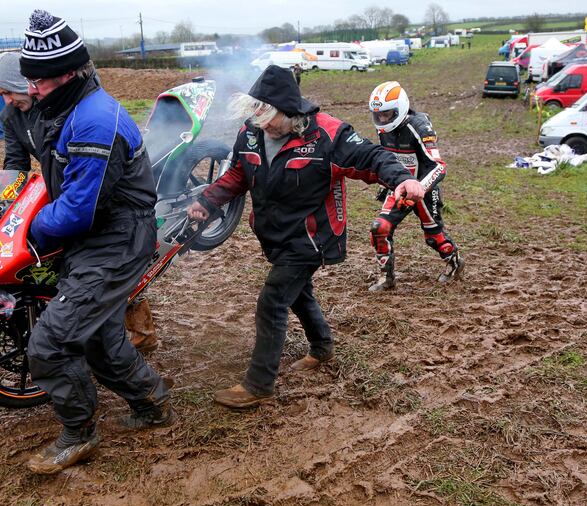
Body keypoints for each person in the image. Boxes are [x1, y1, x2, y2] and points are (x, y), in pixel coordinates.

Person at [187, 65, 424, 409]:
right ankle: (322, 347)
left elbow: (373, 157)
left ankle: (259, 384)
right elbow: (239, 173)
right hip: (275, 235)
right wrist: (208, 201)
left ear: (290, 110)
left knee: (273, 301)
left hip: (312, 238)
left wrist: (401, 177)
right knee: (298, 294)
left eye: (269, 117)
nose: (263, 124)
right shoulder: (252, 132)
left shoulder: (327, 135)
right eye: (257, 115)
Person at [17, 9, 173, 474]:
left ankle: (78, 434)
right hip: (96, 236)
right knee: (98, 335)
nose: (31, 89)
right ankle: (153, 403)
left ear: (66, 73)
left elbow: (79, 209)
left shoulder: (94, 121)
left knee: (50, 342)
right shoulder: (64, 108)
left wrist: (27, 232)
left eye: (39, 81)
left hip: (117, 238)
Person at [0, 51, 159, 355]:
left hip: (87, 186)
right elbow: (15, 165)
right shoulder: (11, 116)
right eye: (1, 95)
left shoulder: (55, 106)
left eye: (8, 92)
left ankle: (137, 326)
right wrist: (5, 204)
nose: (7, 101)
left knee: (105, 267)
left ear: (23, 83)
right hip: (61, 188)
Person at [367, 81, 464, 292]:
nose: (382, 119)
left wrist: (421, 187)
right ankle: (387, 278)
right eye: (379, 115)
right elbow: (389, 160)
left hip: (424, 190)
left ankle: (455, 262)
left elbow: (439, 167)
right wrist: (386, 184)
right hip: (400, 187)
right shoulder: (383, 130)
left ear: (401, 108)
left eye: (388, 114)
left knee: (434, 237)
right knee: (379, 228)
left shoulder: (419, 126)